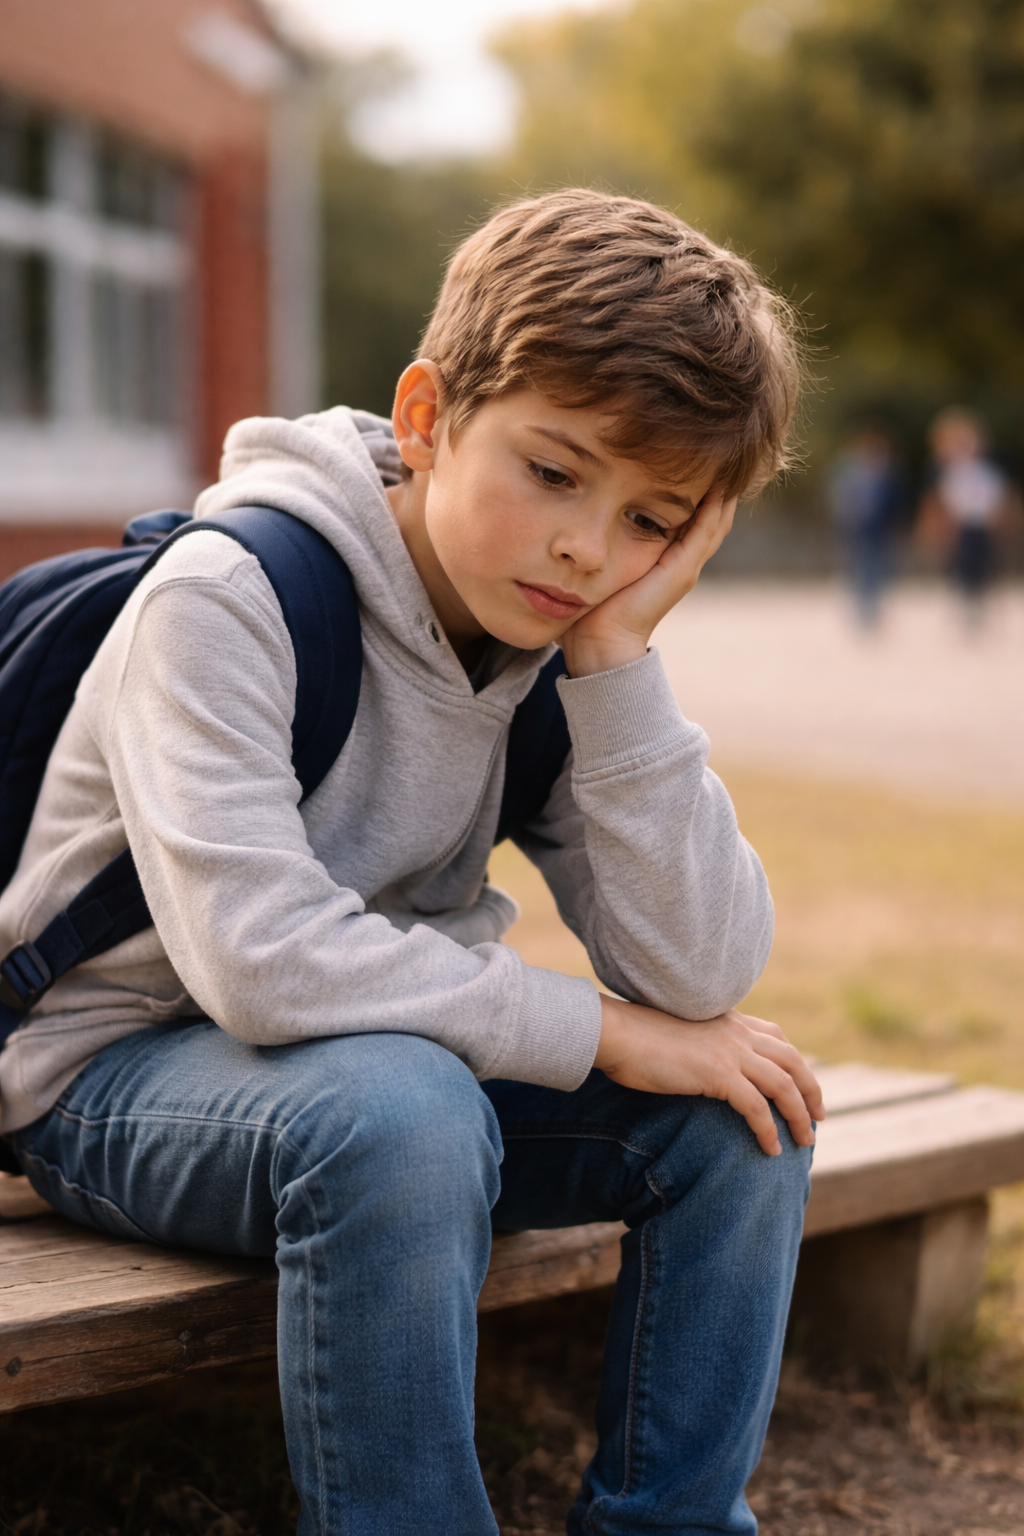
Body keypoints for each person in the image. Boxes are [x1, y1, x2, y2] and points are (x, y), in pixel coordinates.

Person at [0, 190, 821, 1535]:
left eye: (652, 521)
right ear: (429, 415)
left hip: (387, 1076)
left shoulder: (557, 642)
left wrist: (618, 662)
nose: (586, 548)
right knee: (406, 1112)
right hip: (112, 1076)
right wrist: (599, 1030)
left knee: (744, 1106)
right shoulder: (229, 597)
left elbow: (701, 971)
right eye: (554, 474)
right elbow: (259, 959)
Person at [918, 407, 1012, 626]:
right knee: (958, 566)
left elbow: (996, 495)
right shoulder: (940, 469)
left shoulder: (986, 469)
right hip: (955, 525)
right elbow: (935, 501)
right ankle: (966, 603)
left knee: (983, 565)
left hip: (981, 523)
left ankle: (977, 603)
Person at [826, 427, 906, 625]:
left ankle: (871, 606)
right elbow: (840, 503)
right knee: (859, 567)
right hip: (856, 530)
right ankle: (862, 607)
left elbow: (896, 504)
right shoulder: (848, 476)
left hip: (880, 530)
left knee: (878, 568)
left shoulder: (889, 476)